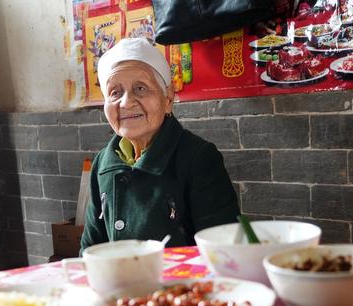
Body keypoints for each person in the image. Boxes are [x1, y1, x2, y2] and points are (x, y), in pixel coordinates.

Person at [79, 37, 240, 251]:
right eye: (115, 92)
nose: (126, 102)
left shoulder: (198, 158)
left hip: (181, 283)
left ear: (168, 98)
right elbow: (89, 252)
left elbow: (223, 251)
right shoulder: (103, 164)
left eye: (141, 89)